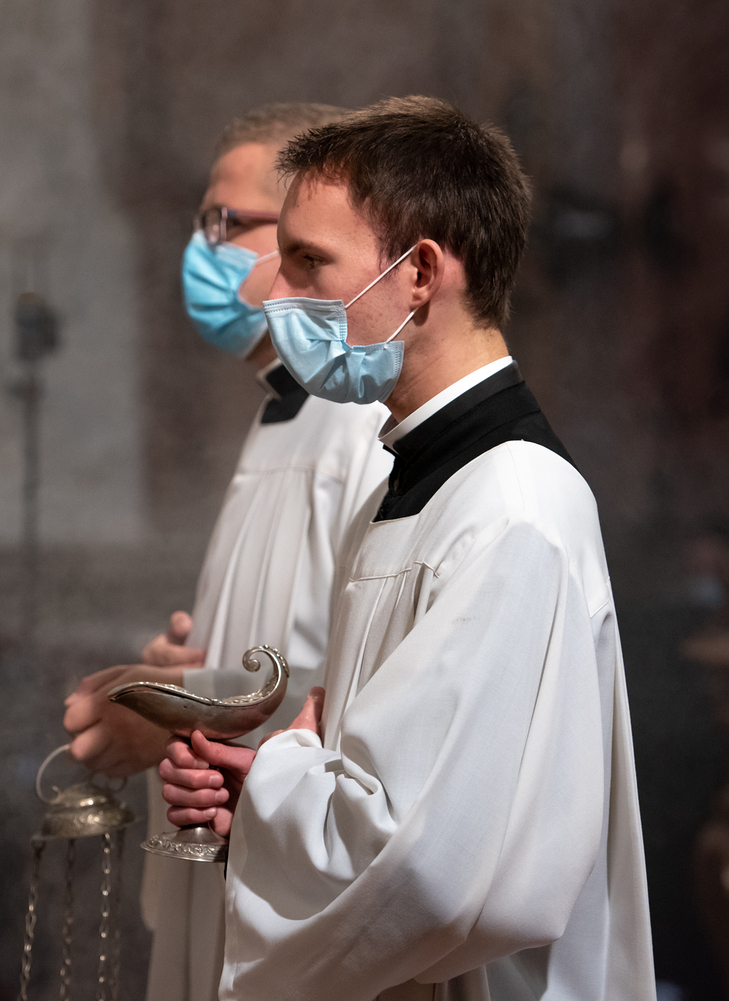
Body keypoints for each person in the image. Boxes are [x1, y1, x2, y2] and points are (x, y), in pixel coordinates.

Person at [160, 96, 655, 1000]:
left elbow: (428, 867)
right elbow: (391, 786)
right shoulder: (406, 487)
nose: (277, 296)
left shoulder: (512, 508)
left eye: (309, 262)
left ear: (420, 271)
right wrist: (254, 795)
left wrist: (278, 781)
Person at [61, 103, 395, 1001]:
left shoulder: (365, 427)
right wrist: (178, 672)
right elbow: (277, 638)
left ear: (305, 239)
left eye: (224, 223)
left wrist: (171, 716)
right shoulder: (284, 413)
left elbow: (364, 696)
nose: (198, 250)